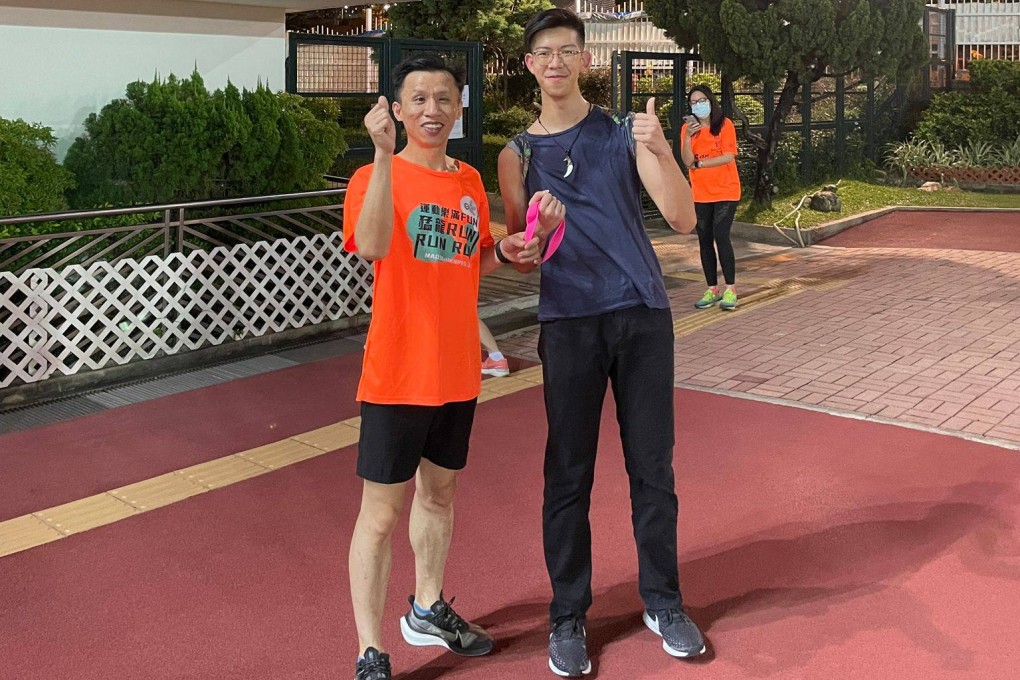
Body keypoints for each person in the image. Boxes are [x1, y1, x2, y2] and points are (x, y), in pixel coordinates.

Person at [497, 8, 705, 678]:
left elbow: (681, 216)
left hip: (642, 315)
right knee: (568, 474)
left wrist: (663, 147)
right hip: (568, 323)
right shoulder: (516, 155)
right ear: (529, 65)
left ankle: (663, 601)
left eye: (567, 50)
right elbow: (522, 249)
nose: (555, 61)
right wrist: (526, 244)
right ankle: (567, 615)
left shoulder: (622, 132)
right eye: (543, 52)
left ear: (585, 58)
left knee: (653, 469)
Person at [343, 54, 562, 680]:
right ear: (397, 108)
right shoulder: (372, 176)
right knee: (379, 515)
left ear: (459, 106)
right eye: (418, 99)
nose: (432, 110)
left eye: (444, 98)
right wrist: (384, 157)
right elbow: (377, 246)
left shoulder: (467, 180)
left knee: (439, 497)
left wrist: (521, 247)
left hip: (456, 372)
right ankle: (370, 649)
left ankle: (428, 605)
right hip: (396, 373)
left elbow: (475, 260)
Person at [680, 85, 741, 311]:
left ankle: (730, 289)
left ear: (711, 101)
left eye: (702, 100)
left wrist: (701, 163)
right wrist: (687, 137)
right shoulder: (688, 129)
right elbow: (686, 161)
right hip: (701, 193)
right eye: (694, 102)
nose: (698, 105)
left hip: (726, 190)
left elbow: (728, 156)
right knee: (704, 239)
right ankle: (712, 288)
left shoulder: (724, 125)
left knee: (721, 235)